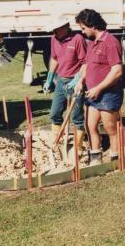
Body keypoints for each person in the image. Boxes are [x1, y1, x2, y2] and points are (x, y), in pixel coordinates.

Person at [74, 9, 124, 165]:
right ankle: (96, 160)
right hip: (92, 93)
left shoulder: (111, 42)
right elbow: (87, 64)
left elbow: (117, 71)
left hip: (108, 94)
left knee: (111, 129)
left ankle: (116, 160)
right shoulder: (91, 43)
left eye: (83, 28)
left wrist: (99, 88)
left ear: (92, 25)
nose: (82, 32)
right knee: (90, 127)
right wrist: (80, 80)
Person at [43, 15, 87, 151]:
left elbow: (85, 63)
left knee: (76, 116)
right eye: (53, 30)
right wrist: (50, 78)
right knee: (55, 113)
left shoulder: (78, 39)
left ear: (66, 27)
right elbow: (55, 59)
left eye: (56, 29)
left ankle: (78, 146)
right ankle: (58, 143)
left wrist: (77, 79)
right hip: (61, 81)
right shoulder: (54, 39)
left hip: (75, 82)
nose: (54, 32)